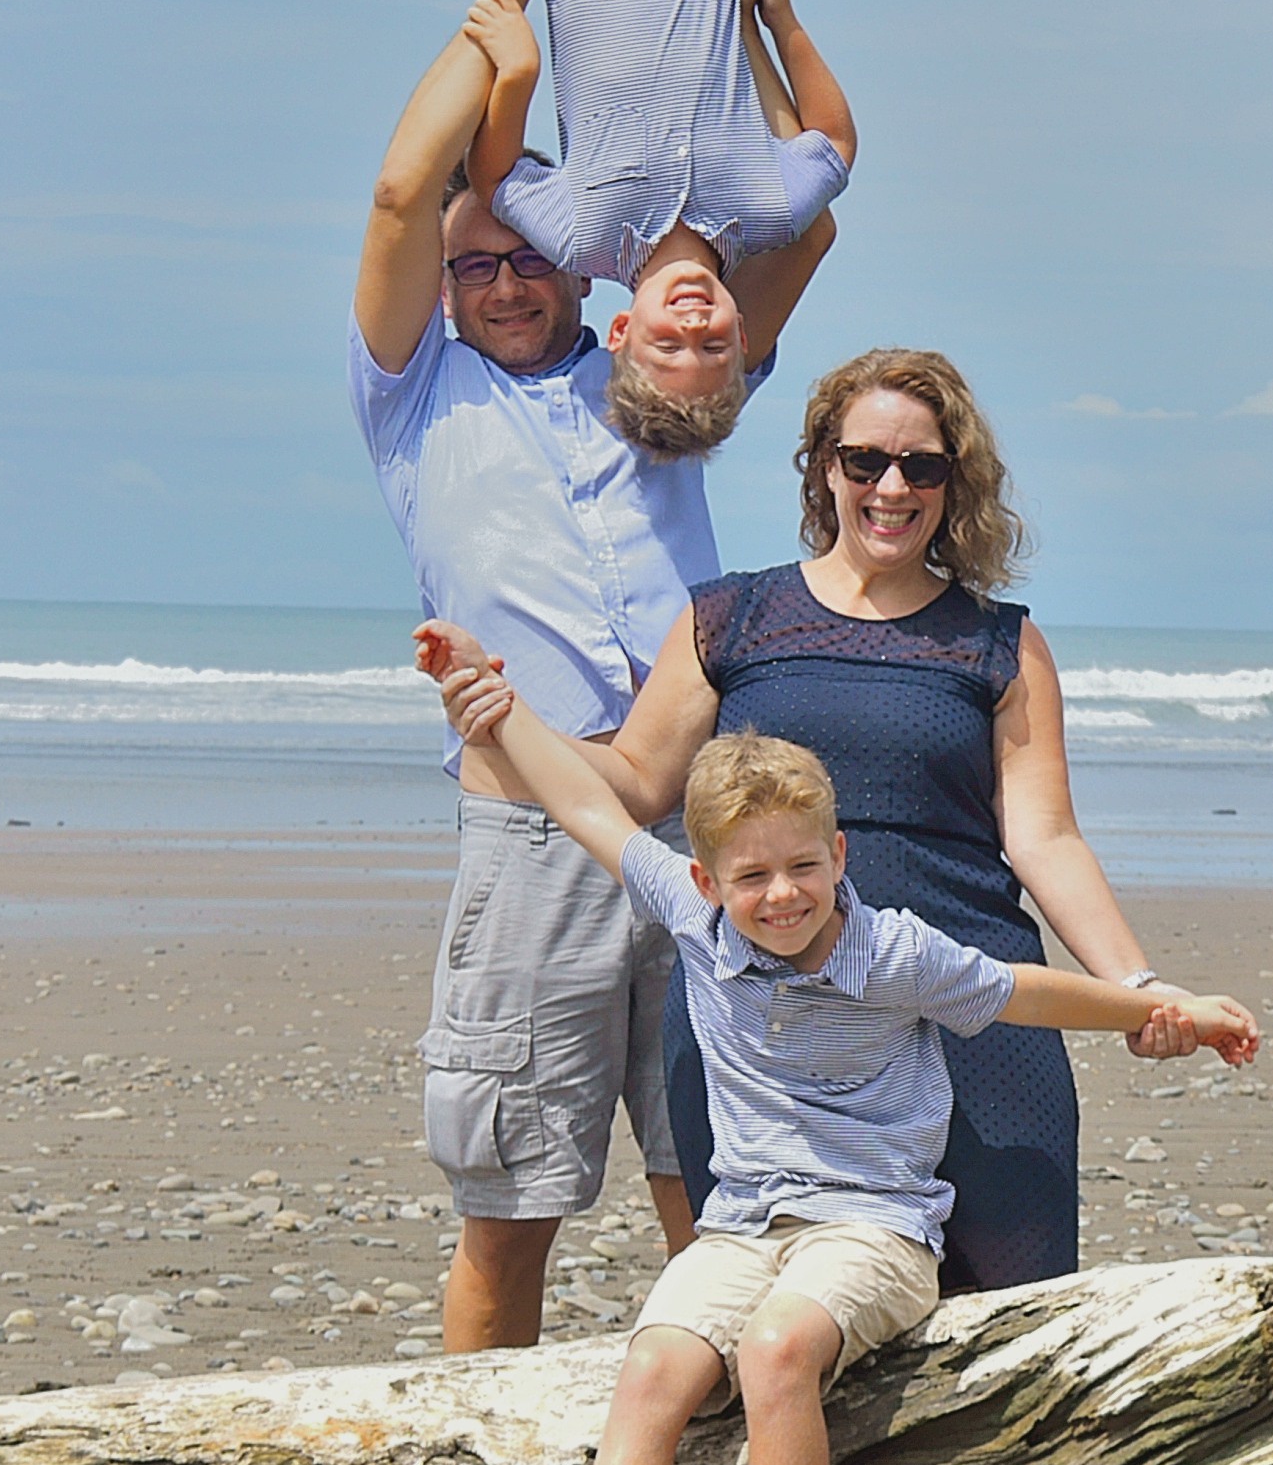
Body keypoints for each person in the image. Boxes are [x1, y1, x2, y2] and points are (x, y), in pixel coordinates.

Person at [415, 640, 1257, 1465]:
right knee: (653, 1365)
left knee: (774, 1349)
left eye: (802, 866)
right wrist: (496, 712)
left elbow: (1028, 990)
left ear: (839, 853)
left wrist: (1166, 1004)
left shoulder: (895, 950)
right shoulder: (689, 913)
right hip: (744, 1224)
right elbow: (590, 813)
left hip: (878, 1228)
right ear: (706, 878)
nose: (779, 895)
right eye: (752, 875)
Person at [439, 346, 1206, 1300]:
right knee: (762, 1316)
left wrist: (1136, 987)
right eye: (864, 461)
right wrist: (507, 721)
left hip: (967, 1001)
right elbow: (633, 782)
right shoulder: (733, 618)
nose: (891, 486)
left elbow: (1044, 837)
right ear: (822, 467)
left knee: (1011, 1314)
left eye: (920, 466)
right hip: (764, 1016)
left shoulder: (1000, 643)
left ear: (952, 481)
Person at [350, 0, 838, 1352]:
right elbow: (399, 190)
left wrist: (760, 7)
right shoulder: (408, 396)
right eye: (472, 263)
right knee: (513, 1202)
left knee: (725, 1190)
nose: (498, 280)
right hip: (536, 822)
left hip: (702, 815)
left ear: (581, 262)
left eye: (522, 254)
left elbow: (802, 224)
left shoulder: (654, 366)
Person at [459, 0, 856, 460]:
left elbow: (493, 176)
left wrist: (517, 72)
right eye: (708, 344)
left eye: (665, 342)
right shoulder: (767, 211)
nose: (690, 321)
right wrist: (777, 18)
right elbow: (832, 147)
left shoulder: (582, 238)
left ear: (618, 330)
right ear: (742, 332)